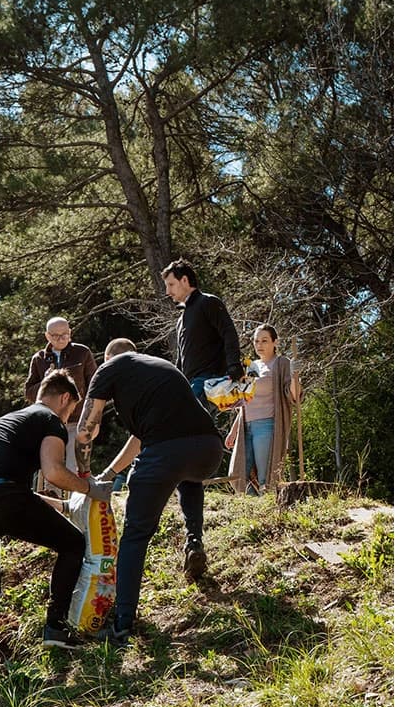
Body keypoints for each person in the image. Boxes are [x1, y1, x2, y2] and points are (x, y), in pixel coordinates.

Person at [0, 370, 113, 688]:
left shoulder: (10, 420)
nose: (67, 417)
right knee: (71, 543)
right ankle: (56, 628)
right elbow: (53, 471)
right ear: (66, 399)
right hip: (2, 497)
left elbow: (11, 490)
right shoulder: (50, 420)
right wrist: (91, 489)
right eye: (70, 411)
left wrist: (62, 505)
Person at [77, 338, 223, 646]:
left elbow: (87, 427)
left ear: (109, 358)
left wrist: (84, 475)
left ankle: (122, 624)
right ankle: (193, 541)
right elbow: (140, 439)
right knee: (187, 474)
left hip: (165, 454)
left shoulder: (108, 368)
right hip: (208, 450)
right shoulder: (161, 368)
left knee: (136, 534)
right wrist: (110, 474)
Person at [162, 258, 243, 419]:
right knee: (191, 428)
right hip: (190, 383)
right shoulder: (181, 319)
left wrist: (234, 364)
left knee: (187, 423)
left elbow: (229, 333)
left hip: (208, 381)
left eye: (171, 285)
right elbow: (181, 358)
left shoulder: (208, 302)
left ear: (184, 280)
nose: (167, 292)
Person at [226, 324, 301, 494]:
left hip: (266, 426)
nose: (259, 345)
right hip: (246, 427)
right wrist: (233, 430)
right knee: (237, 474)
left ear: (275, 342)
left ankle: (265, 510)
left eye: (265, 341)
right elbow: (245, 402)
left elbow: (293, 396)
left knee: (265, 477)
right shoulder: (251, 366)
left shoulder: (281, 363)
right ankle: (252, 506)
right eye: (256, 341)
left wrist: (295, 375)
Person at [24, 316, 98, 475]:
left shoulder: (82, 353)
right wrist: (45, 380)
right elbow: (29, 392)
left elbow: (95, 385)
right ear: (47, 336)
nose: (61, 339)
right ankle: (52, 499)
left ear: (70, 333)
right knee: (50, 469)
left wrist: (92, 417)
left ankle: (74, 500)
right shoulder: (39, 359)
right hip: (48, 422)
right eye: (55, 336)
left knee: (74, 468)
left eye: (64, 334)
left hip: (76, 420)